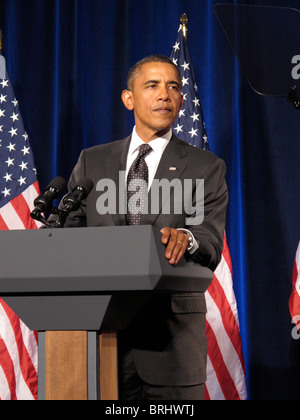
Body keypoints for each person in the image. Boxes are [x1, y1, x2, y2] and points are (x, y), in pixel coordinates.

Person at [52, 55, 228, 400]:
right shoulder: (93, 160)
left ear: (180, 100)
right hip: (99, 336)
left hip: (169, 340)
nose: (165, 94)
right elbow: (69, 231)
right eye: (152, 85)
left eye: (173, 87)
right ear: (128, 98)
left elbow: (209, 237)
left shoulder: (206, 166)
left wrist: (187, 238)